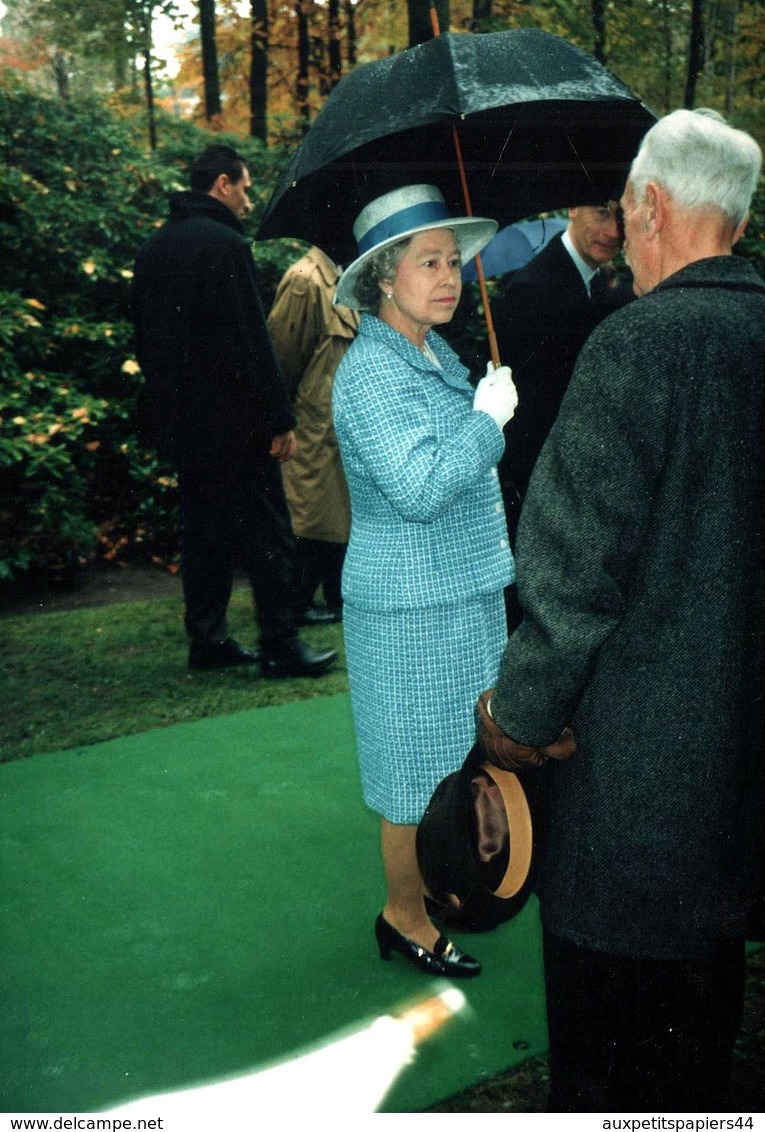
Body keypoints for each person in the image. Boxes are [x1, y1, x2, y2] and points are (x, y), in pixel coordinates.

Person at [475, 109, 764, 1111]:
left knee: (611, 1057)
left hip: (632, 798)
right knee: (702, 1041)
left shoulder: (636, 346)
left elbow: (569, 578)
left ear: (651, 205)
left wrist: (512, 724)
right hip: (738, 786)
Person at [332, 184, 518, 979]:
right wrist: (487, 421)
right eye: (429, 262)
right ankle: (402, 916)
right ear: (383, 277)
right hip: (407, 609)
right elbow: (418, 489)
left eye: (453, 260)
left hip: (462, 593)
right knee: (412, 776)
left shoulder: (433, 352)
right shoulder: (369, 372)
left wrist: (480, 407)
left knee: (458, 762)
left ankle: (443, 891)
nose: (449, 276)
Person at [131, 144, 337, 678]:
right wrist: (278, 418)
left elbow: (147, 345)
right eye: (244, 187)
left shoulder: (153, 249)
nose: (248, 199)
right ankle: (280, 643)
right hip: (238, 424)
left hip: (187, 426)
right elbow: (251, 340)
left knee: (203, 532)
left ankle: (207, 639)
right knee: (268, 533)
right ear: (222, 183)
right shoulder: (225, 246)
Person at [491, 199, 633, 553]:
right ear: (572, 209)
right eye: (601, 212)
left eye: (621, 216)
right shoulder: (530, 292)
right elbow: (527, 424)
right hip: (545, 503)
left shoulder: (599, 284)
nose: (614, 231)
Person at [267, 246, 359, 626]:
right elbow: (281, 356)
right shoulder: (306, 280)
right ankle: (298, 602)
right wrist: (279, 419)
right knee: (311, 514)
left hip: (338, 425)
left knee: (333, 513)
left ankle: (331, 598)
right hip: (310, 424)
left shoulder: (343, 277)